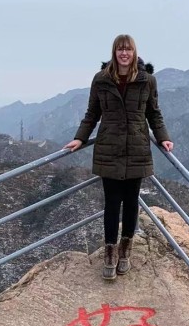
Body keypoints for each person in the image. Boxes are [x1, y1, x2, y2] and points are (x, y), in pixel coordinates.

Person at [64, 34, 174, 280]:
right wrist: (80, 138)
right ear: (114, 53)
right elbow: (92, 113)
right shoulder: (101, 80)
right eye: (120, 50)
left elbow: (154, 113)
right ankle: (110, 253)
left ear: (134, 53)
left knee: (132, 201)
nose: (124, 54)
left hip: (136, 148)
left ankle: (126, 251)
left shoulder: (147, 81)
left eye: (128, 50)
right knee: (112, 203)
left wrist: (163, 137)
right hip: (109, 148)